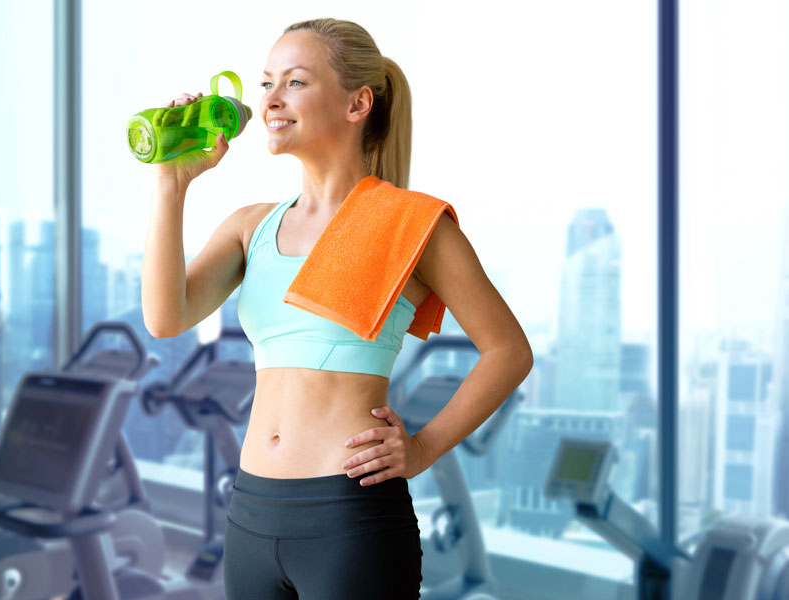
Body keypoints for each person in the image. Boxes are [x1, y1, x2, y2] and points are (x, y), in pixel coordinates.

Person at [141, 17, 533, 600]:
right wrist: (171, 185)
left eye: (294, 82)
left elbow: (508, 351)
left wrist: (422, 448)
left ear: (358, 104)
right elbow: (165, 317)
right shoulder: (251, 226)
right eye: (266, 83)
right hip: (250, 512)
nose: (270, 100)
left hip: (348, 518)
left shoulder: (410, 224)